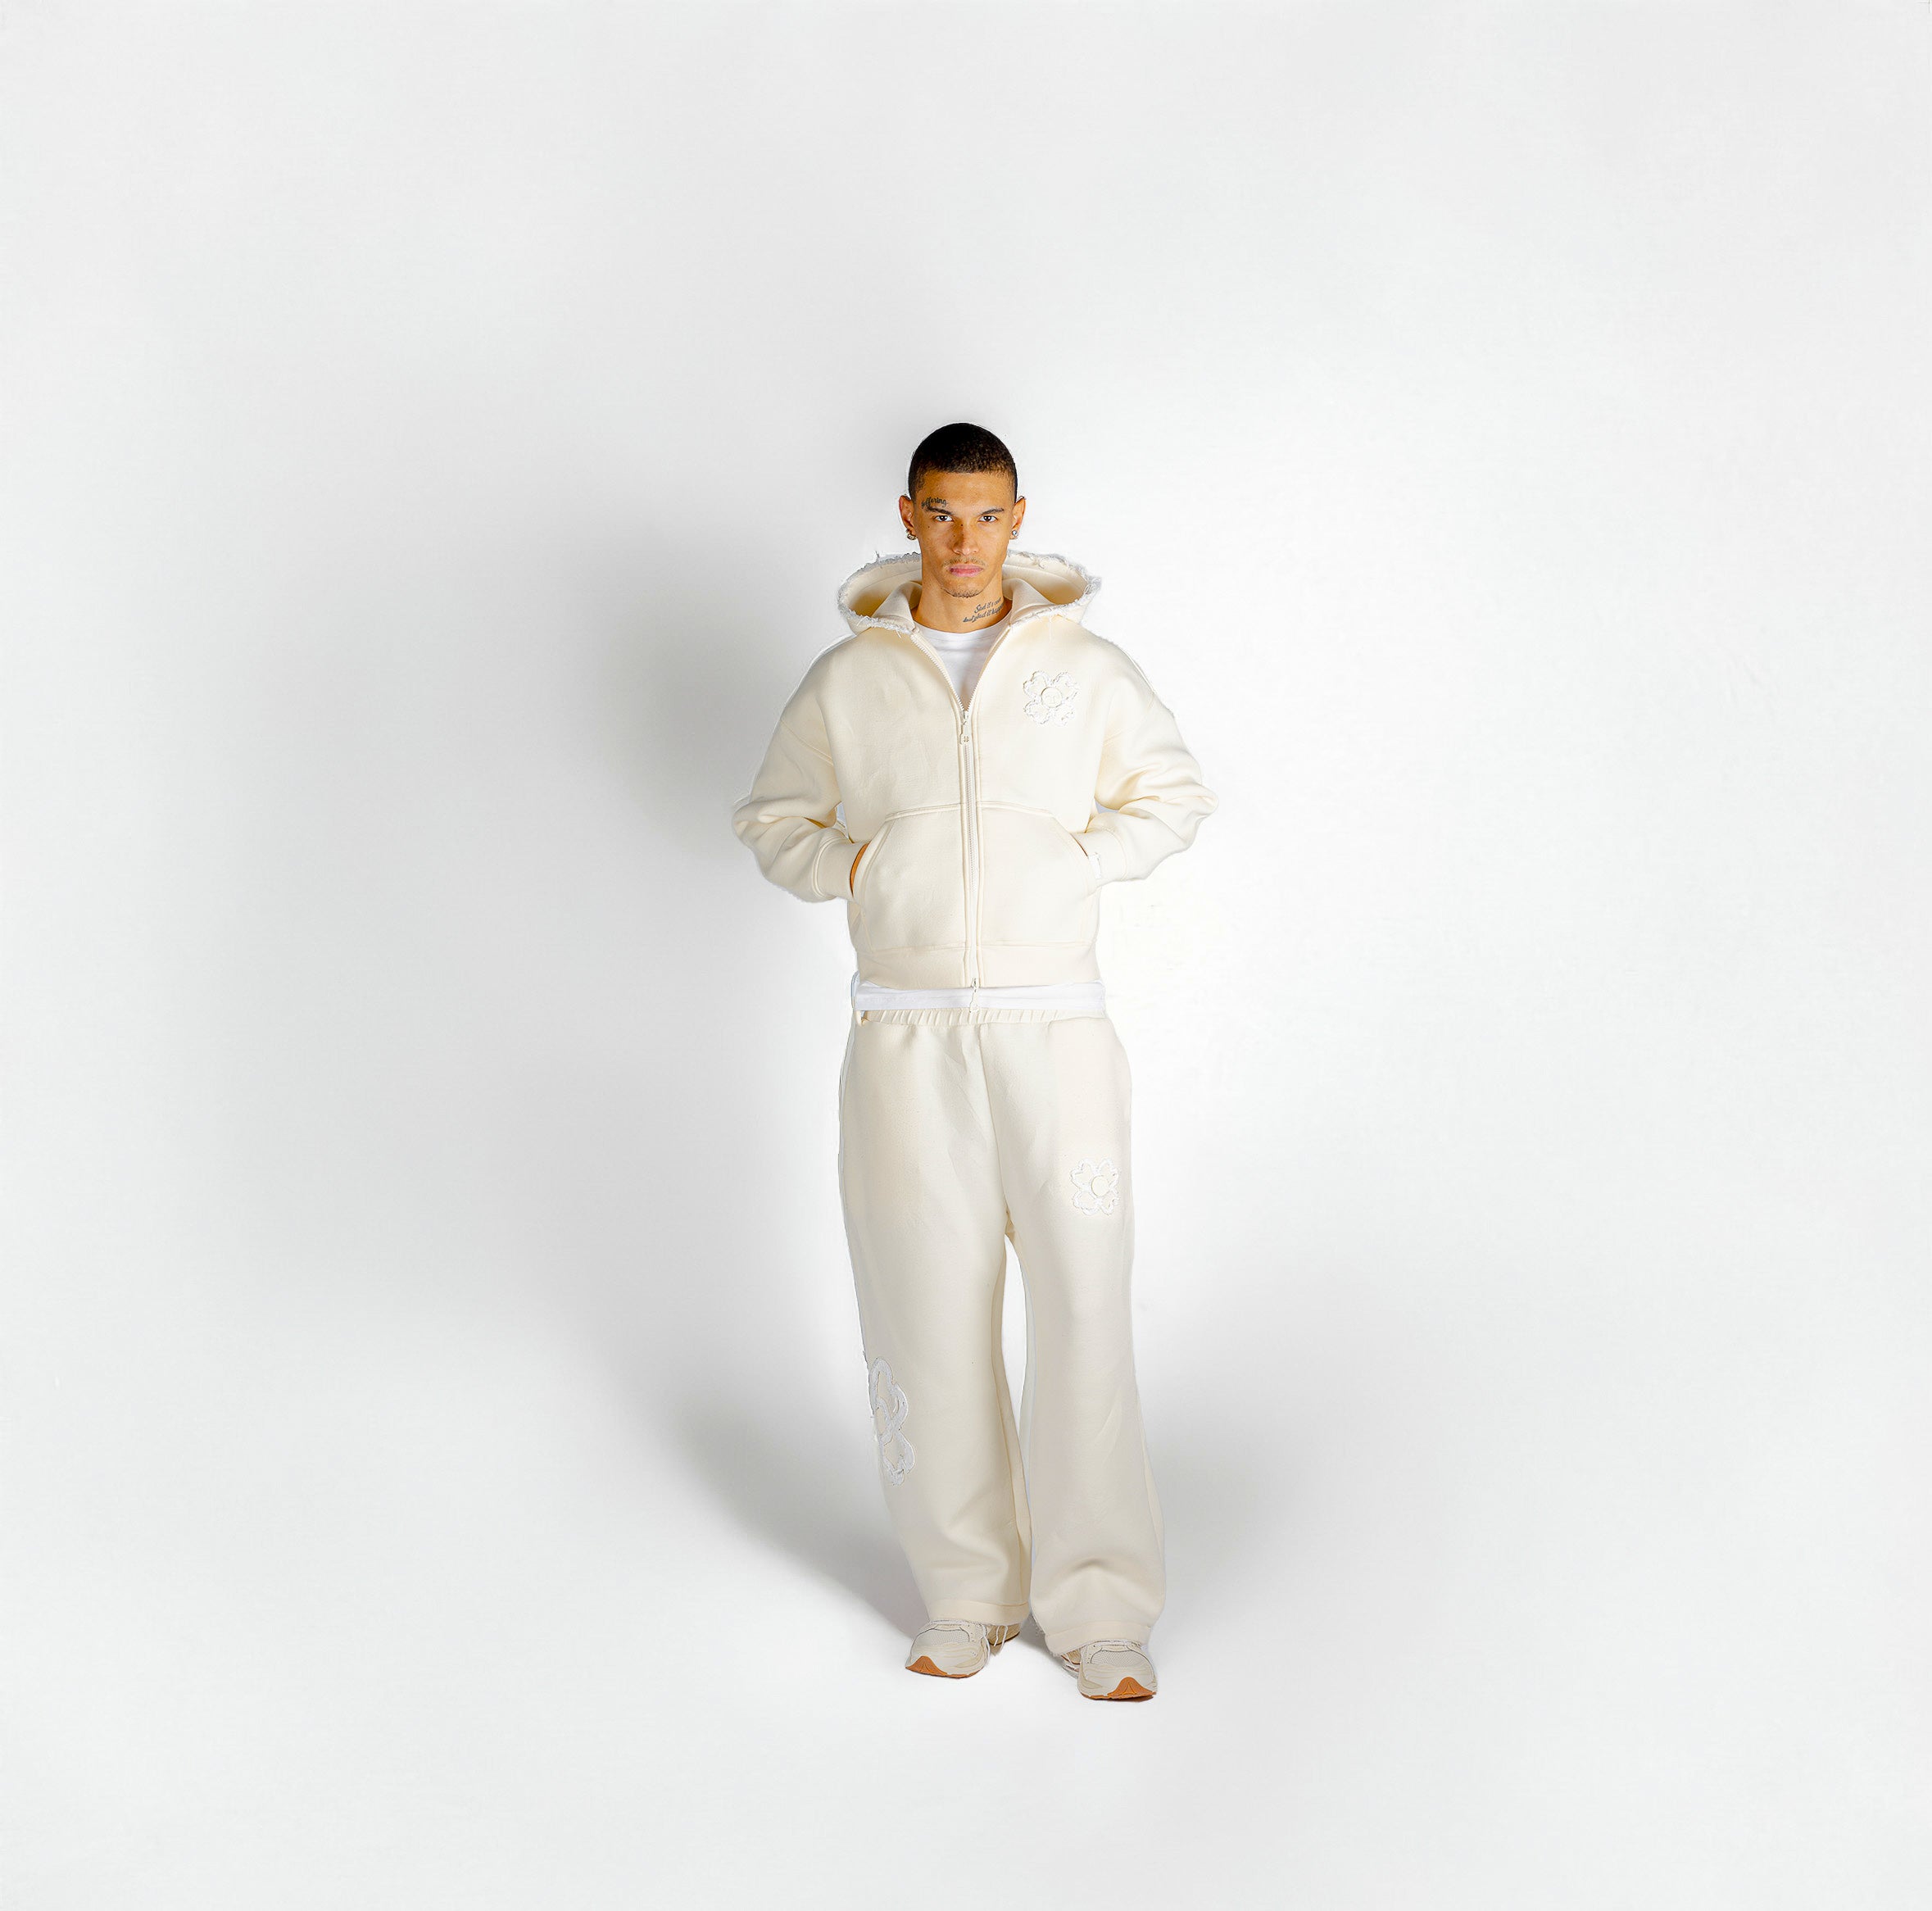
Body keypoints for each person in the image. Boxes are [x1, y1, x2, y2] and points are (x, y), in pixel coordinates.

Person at [730, 422, 1217, 1700]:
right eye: (941, 514)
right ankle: (966, 1595)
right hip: (903, 1035)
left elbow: (1171, 796)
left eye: (986, 516)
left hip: (1055, 1030)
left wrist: (1073, 863)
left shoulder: (1086, 670)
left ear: (1017, 519)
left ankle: (1101, 1611)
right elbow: (772, 817)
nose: (963, 541)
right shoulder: (849, 682)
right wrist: (859, 869)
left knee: (1083, 1311)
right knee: (926, 1314)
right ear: (909, 515)